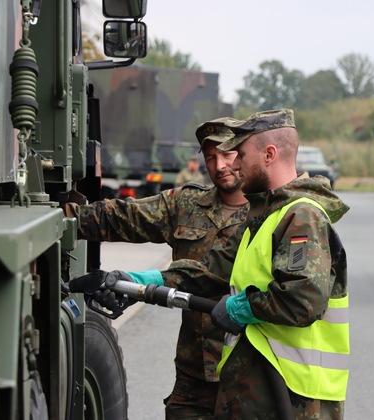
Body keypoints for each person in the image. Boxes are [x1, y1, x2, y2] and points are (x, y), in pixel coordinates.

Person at [65, 117, 249, 419]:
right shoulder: (188, 203)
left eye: (227, 154)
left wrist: (140, 282)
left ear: (243, 153)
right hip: (194, 373)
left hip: (248, 371)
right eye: (210, 157)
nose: (219, 166)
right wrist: (67, 216)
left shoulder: (268, 214)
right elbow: (125, 217)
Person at [209, 109, 351, 419]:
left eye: (240, 155)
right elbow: (218, 272)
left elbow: (302, 300)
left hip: (293, 399)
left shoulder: (301, 217)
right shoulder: (267, 215)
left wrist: (244, 307)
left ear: (269, 154)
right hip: (262, 393)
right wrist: (148, 281)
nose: (232, 164)